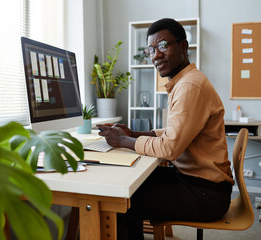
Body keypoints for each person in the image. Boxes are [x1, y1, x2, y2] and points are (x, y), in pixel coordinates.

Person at [97, 18, 233, 240]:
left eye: (163, 46)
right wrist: (133, 134)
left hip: (205, 193)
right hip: (197, 182)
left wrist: (123, 141)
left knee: (122, 202)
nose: (155, 55)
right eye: (150, 50)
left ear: (183, 46)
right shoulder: (185, 81)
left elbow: (169, 148)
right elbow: (173, 132)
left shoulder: (190, 86)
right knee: (132, 185)